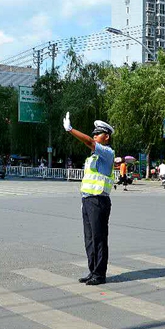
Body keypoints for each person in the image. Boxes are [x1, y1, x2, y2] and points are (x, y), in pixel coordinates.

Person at [63, 112, 115, 286]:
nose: (93, 136)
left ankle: (100, 274)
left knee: (99, 238)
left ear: (106, 137)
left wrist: (71, 130)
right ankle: (92, 270)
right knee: (89, 238)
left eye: (97, 133)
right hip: (88, 200)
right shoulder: (92, 157)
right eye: (93, 133)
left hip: (99, 201)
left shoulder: (107, 152)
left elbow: (89, 142)